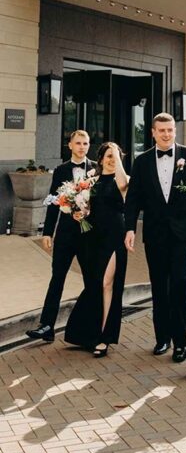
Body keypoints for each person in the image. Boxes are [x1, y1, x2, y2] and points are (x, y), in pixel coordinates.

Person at [124, 113, 186, 362]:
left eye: (170, 130)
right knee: (159, 286)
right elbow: (134, 197)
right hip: (155, 234)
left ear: (175, 131)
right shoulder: (142, 161)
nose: (167, 134)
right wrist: (129, 229)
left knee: (180, 284)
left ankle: (181, 342)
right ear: (153, 133)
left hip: (182, 234)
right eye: (162, 130)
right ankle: (162, 339)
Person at [26, 130, 95, 343]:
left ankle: (91, 327)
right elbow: (54, 203)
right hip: (65, 235)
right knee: (57, 279)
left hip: (88, 234)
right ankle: (46, 326)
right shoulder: (61, 170)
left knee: (92, 280)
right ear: (70, 145)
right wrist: (47, 232)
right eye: (78, 143)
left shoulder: (96, 169)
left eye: (85, 143)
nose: (82, 147)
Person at [64, 142, 128, 357]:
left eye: (116, 156)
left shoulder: (124, 180)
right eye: (109, 156)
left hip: (114, 237)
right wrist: (77, 211)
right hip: (92, 238)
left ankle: (104, 337)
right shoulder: (91, 181)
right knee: (93, 285)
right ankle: (87, 333)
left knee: (107, 283)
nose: (112, 159)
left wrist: (117, 156)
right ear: (100, 159)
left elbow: (123, 183)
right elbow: (82, 206)